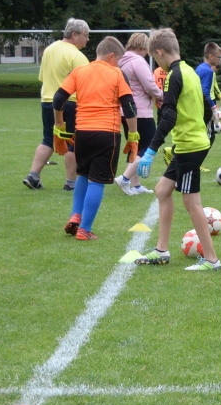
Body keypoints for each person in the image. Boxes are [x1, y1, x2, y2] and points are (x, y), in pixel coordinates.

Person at [135, 28, 221, 271]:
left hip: (190, 147)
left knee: (191, 202)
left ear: (160, 52)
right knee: (163, 190)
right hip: (188, 145)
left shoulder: (174, 75)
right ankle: (162, 250)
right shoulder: (191, 72)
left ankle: (212, 260)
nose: (157, 64)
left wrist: (151, 150)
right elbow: (205, 105)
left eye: (155, 58)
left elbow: (168, 115)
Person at [51, 36, 137, 241]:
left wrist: (59, 125)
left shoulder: (79, 71)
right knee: (97, 181)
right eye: (118, 60)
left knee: (82, 175)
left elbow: (58, 99)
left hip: (82, 134)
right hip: (107, 134)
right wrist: (133, 136)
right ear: (111, 56)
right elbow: (129, 107)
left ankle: (76, 215)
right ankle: (84, 230)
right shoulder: (117, 73)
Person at [24, 19, 89, 191]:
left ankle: (33, 175)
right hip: (69, 103)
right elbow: (87, 84)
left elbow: (42, 77)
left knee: (48, 139)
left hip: (47, 100)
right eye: (85, 35)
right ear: (74, 34)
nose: (87, 39)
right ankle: (71, 183)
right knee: (71, 142)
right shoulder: (77, 56)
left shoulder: (49, 49)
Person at [111, 32, 162, 196]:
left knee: (135, 146)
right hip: (141, 111)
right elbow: (150, 85)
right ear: (142, 47)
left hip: (125, 110)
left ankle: (135, 185)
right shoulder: (138, 62)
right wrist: (163, 96)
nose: (148, 53)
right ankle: (125, 178)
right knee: (148, 147)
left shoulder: (121, 61)